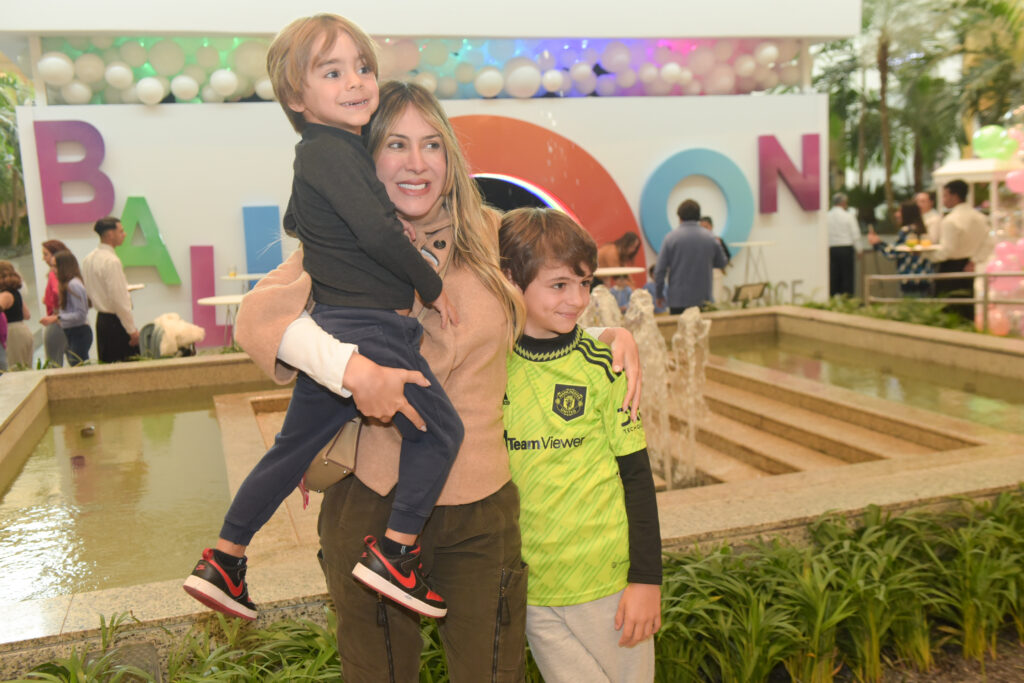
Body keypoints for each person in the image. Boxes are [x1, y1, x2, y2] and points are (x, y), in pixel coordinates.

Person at [234, 81, 642, 682]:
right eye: (396, 145)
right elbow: (256, 321)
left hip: (480, 506)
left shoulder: (493, 235)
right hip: (372, 500)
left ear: (450, 156)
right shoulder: (340, 241)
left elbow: (551, 301)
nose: (417, 163)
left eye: (431, 145)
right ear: (365, 161)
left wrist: (604, 336)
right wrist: (350, 369)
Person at [184, 15, 464, 621]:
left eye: (362, 68)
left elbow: (296, 218)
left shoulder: (322, 153)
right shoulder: (332, 152)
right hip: (371, 329)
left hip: (341, 322)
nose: (356, 81)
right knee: (442, 433)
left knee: (290, 451)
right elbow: (377, 232)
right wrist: (431, 284)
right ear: (295, 96)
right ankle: (396, 553)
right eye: (332, 72)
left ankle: (225, 558)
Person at [499, 208, 661, 683]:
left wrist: (646, 580)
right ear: (510, 279)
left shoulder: (605, 364)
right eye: (559, 285)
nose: (578, 300)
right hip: (535, 592)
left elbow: (637, 477)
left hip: (609, 586)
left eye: (585, 283)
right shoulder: (489, 365)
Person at [928, 179, 990, 320]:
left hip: (950, 267)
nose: (943, 200)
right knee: (966, 306)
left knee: (948, 308)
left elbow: (946, 251)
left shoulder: (951, 220)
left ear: (954, 196)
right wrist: (975, 260)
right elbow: (989, 242)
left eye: (945, 195)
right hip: (968, 266)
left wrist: (926, 255)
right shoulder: (980, 217)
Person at [654, 199, 728, 314]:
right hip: (703, 299)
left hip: (678, 300)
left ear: (679, 217)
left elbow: (659, 271)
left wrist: (659, 294)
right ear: (698, 217)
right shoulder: (710, 237)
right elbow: (722, 262)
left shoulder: (670, 238)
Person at [81, 217, 139, 362]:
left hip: (102, 321)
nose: (124, 234)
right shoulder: (111, 261)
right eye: (121, 231)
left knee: (107, 365)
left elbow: (90, 290)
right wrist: (132, 330)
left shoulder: (88, 259)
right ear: (110, 234)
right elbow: (118, 300)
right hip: (115, 324)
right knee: (125, 368)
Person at [867, 201, 935, 297]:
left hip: (910, 279)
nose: (896, 214)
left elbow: (893, 253)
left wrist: (878, 243)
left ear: (907, 214)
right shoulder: (921, 229)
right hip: (925, 278)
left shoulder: (906, 231)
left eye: (899, 211)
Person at [40, 250, 92, 366]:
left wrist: (57, 318)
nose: (53, 270)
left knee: (78, 367)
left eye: (55, 266)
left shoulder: (73, 285)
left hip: (80, 332)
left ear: (64, 266)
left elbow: (81, 314)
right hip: (72, 331)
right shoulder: (67, 284)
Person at [40, 239, 71, 367]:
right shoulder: (71, 273)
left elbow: (58, 292)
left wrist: (56, 308)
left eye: (46, 254)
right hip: (71, 323)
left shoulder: (54, 274)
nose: (43, 258)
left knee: (54, 365)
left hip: (57, 323)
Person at [827, 192, 861, 297]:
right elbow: (855, 234)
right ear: (843, 202)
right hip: (846, 248)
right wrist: (859, 249)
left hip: (832, 248)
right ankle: (847, 298)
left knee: (833, 275)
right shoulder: (848, 216)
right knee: (847, 276)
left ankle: (833, 298)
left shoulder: (827, 216)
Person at [0, 261, 32, 368]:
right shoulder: (16, 293)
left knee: (16, 369)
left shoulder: (5, 295)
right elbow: (27, 315)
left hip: (12, 333)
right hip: (23, 330)